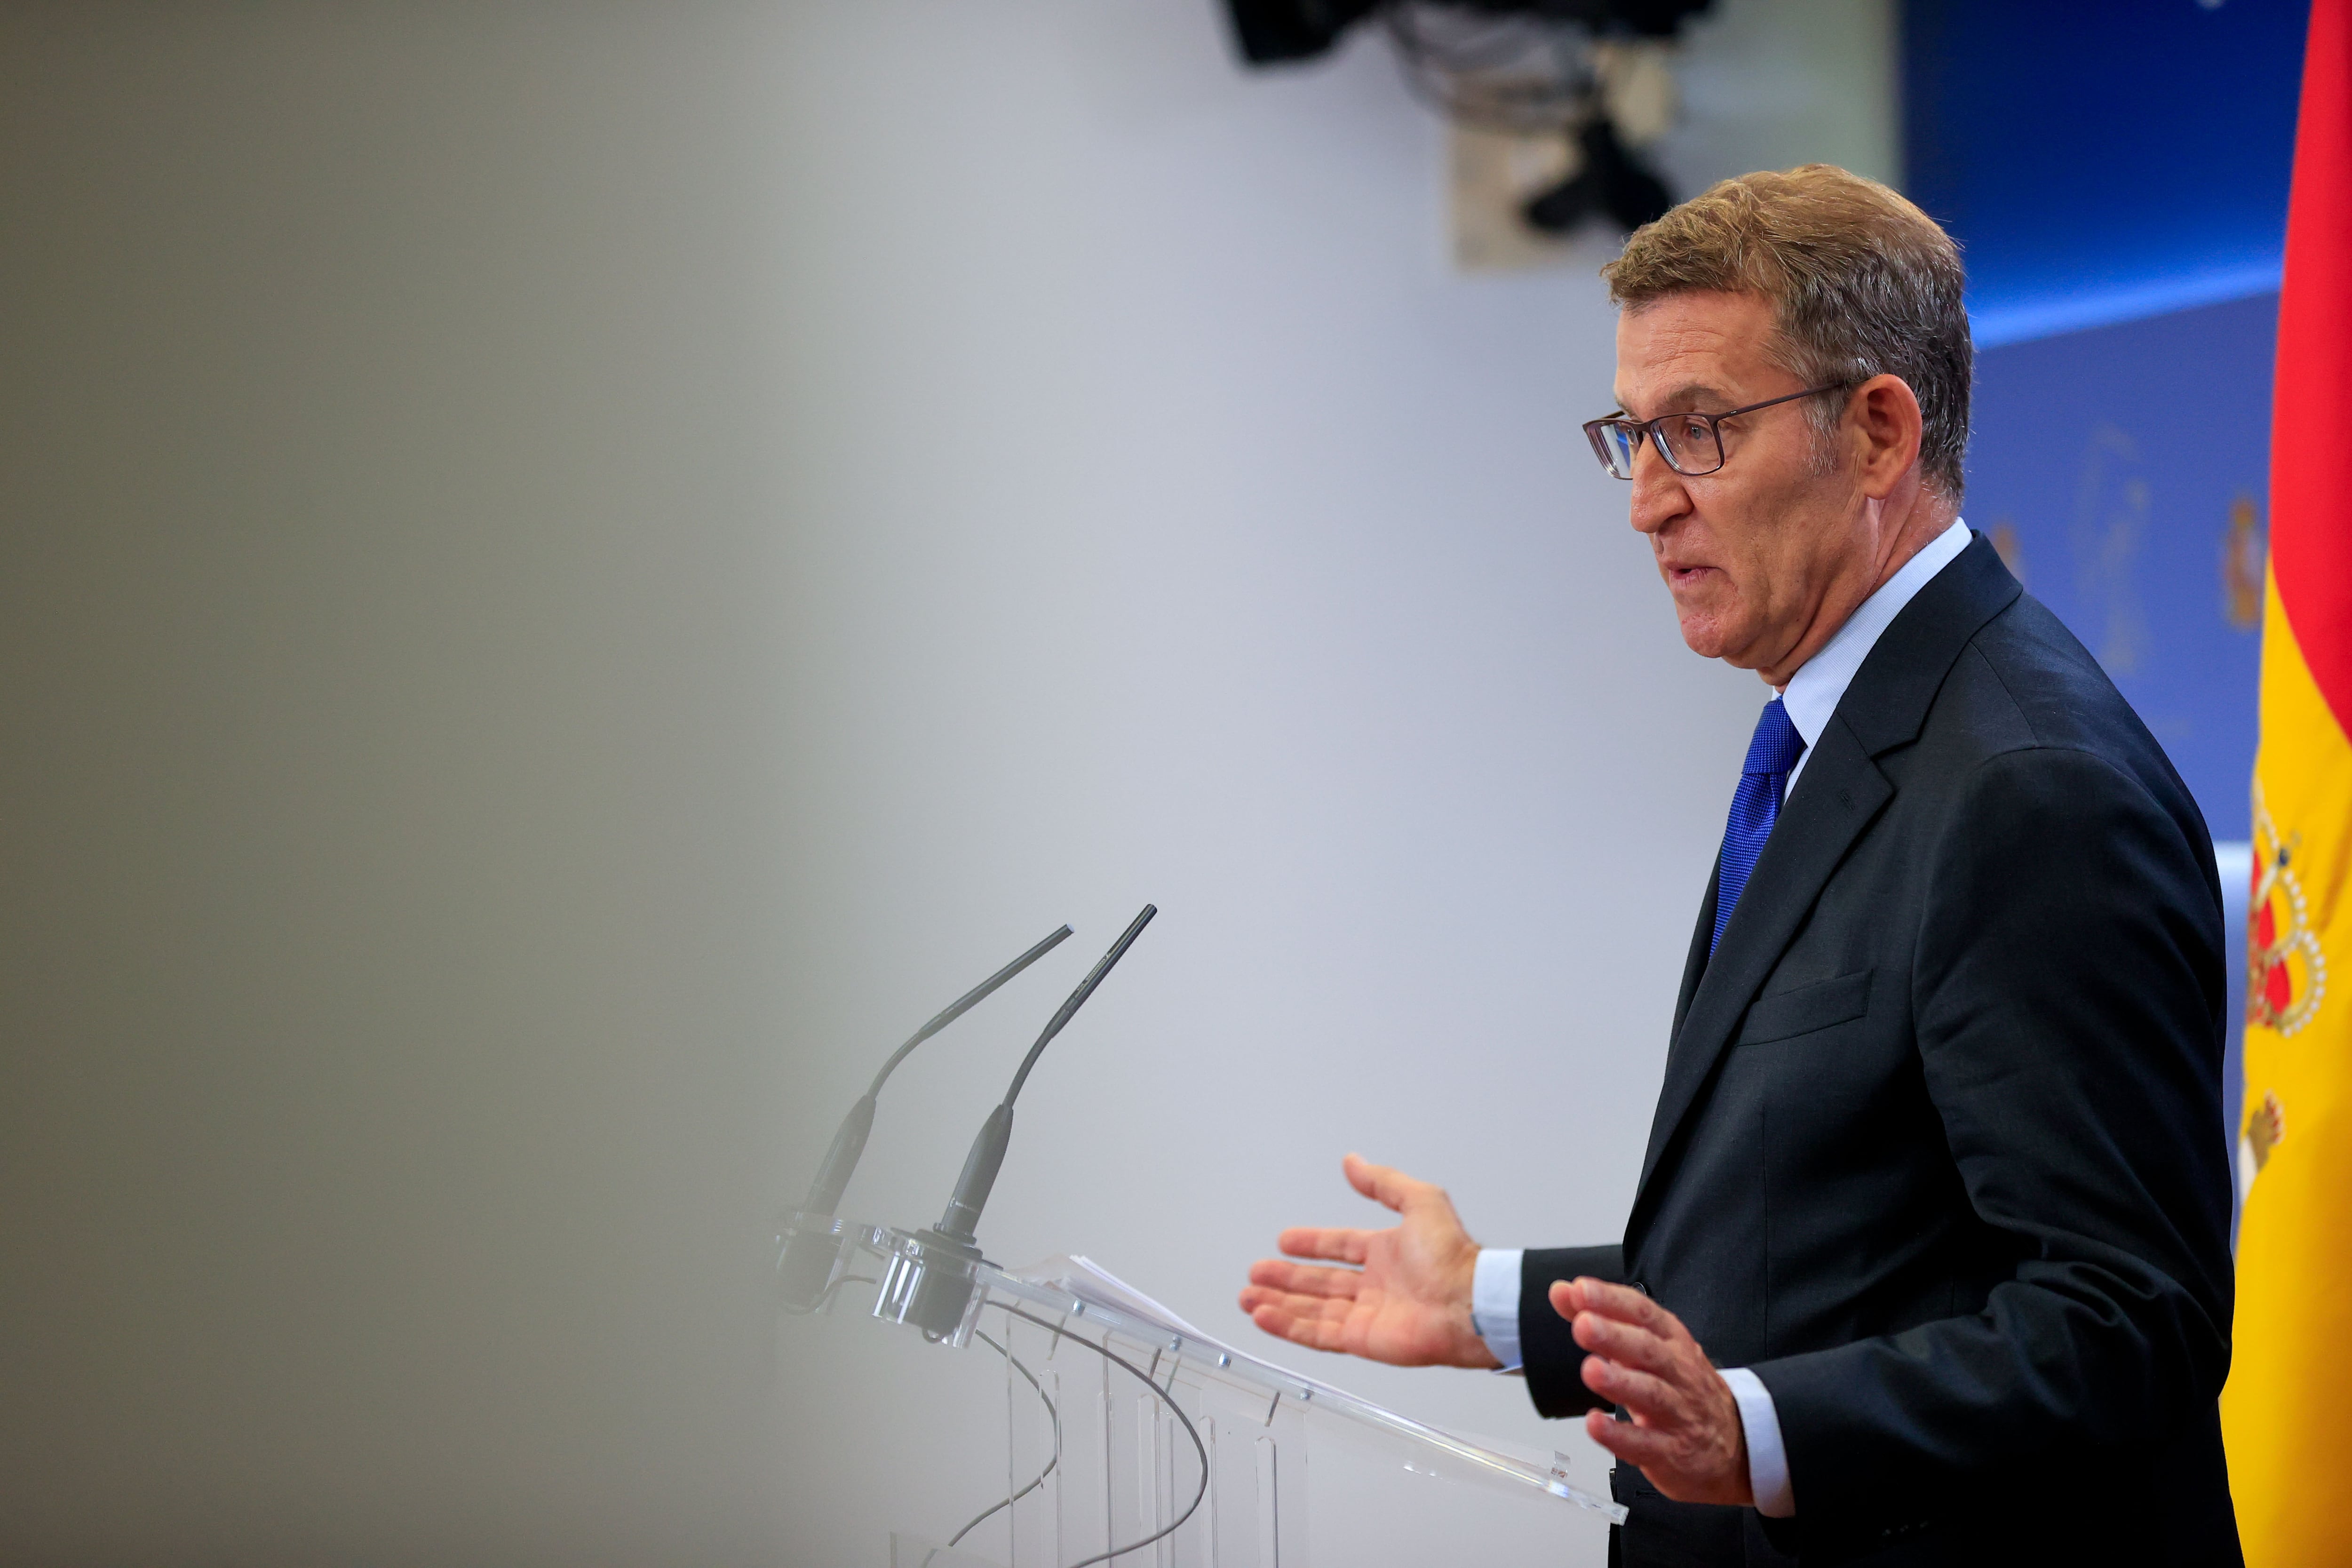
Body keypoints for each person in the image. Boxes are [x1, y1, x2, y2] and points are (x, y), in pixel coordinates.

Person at [1237, 166, 2240, 1567]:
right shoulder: (1834, 730)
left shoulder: (2030, 788)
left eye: (1698, 432)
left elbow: (2129, 1320)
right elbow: (1823, 1243)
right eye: (1630, 437)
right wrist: (1480, 1303)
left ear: (1879, 431)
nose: (1646, 504)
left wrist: (1761, 1434)